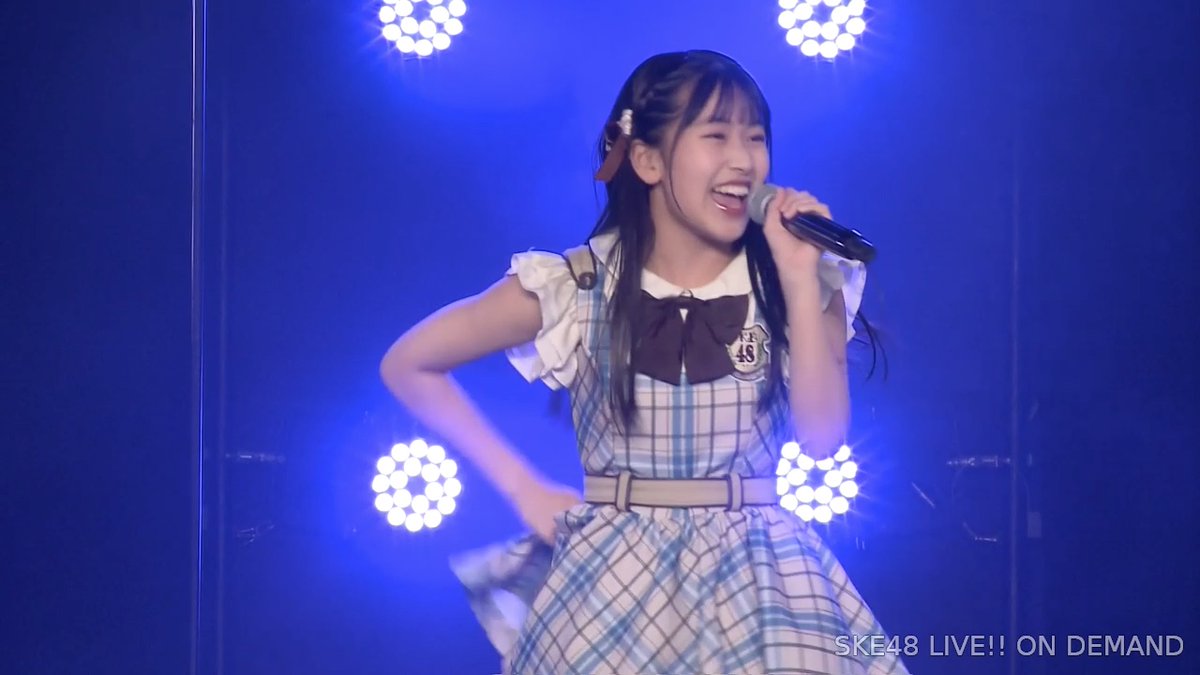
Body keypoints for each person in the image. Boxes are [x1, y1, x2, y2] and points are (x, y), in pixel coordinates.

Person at [380, 49, 907, 675]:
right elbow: (409, 363)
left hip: (762, 574)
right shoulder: (576, 285)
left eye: (756, 137)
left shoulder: (799, 282)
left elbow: (822, 439)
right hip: (610, 577)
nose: (744, 160)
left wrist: (796, 278)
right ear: (647, 159)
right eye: (716, 135)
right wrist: (524, 489)